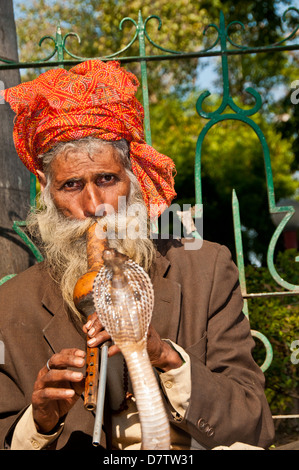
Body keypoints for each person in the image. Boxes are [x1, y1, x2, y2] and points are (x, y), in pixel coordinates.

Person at [0, 60, 275, 450]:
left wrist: (165, 356)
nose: (94, 205)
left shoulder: (205, 269)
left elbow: (252, 424)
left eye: (107, 180)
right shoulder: (13, 304)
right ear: (47, 191)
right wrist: (40, 422)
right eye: (72, 185)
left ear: (134, 177)